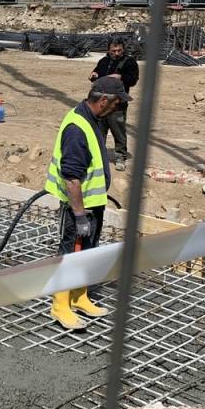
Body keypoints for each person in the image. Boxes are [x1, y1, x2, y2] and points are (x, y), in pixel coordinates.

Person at [44, 76, 132, 330]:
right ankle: (61, 304)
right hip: (78, 207)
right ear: (103, 100)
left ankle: (79, 296)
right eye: (117, 103)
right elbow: (72, 178)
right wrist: (80, 215)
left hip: (92, 203)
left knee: (88, 251)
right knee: (71, 254)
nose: (119, 107)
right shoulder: (77, 128)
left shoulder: (93, 119)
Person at [90, 41, 139, 171]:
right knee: (100, 130)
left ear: (123, 50)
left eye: (119, 51)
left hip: (117, 103)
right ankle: (98, 155)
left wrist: (121, 77)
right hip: (101, 103)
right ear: (109, 50)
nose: (116, 53)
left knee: (118, 130)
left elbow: (133, 80)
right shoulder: (103, 61)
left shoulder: (129, 62)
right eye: (113, 51)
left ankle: (120, 156)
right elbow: (97, 75)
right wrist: (93, 75)